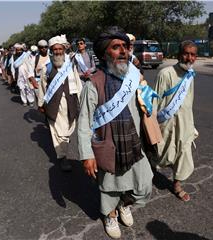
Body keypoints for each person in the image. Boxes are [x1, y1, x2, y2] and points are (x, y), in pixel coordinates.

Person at [78, 26, 153, 239]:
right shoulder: (93, 84)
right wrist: (87, 155)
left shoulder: (133, 76)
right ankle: (110, 214)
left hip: (133, 143)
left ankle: (124, 204)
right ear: (104, 53)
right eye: (116, 47)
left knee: (144, 184)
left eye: (124, 47)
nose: (123, 51)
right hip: (108, 145)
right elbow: (84, 123)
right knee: (109, 187)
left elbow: (143, 105)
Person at [153, 40, 199, 202]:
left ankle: (177, 185)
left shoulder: (190, 75)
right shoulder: (165, 73)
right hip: (166, 123)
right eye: (186, 53)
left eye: (193, 55)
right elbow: (156, 100)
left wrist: (191, 123)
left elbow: (189, 100)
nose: (189, 58)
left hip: (185, 122)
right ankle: (148, 172)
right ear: (179, 55)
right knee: (162, 152)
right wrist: (152, 124)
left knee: (184, 152)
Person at [42, 34, 82, 171]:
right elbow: (42, 87)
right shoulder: (46, 68)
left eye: (60, 49)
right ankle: (62, 157)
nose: (58, 52)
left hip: (70, 102)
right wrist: (41, 104)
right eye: (55, 49)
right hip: (54, 105)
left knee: (69, 128)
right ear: (51, 51)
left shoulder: (70, 66)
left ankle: (63, 147)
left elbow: (78, 82)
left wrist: (82, 100)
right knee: (59, 132)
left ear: (63, 50)